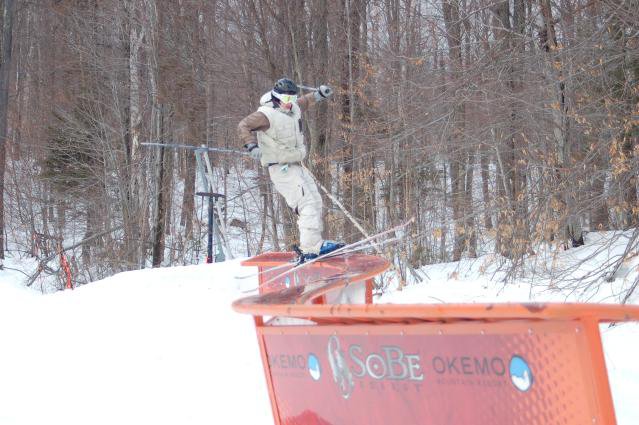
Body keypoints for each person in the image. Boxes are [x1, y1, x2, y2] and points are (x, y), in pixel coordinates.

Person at [237, 77, 344, 262]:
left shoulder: (293, 108)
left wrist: (319, 94)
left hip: (295, 164)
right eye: (286, 100)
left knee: (316, 201)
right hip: (280, 168)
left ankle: (315, 243)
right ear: (277, 98)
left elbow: (305, 101)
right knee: (306, 204)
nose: (290, 104)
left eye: (292, 100)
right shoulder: (265, 114)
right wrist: (251, 146)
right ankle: (310, 249)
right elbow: (243, 125)